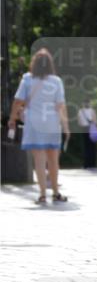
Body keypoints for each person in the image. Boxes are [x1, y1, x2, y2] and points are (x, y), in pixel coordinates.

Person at [8, 48, 70, 204]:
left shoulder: (27, 79)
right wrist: (66, 126)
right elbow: (60, 106)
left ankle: (42, 194)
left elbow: (18, 101)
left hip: (34, 124)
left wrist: (12, 119)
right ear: (50, 64)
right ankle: (55, 192)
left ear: (34, 63)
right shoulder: (56, 81)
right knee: (53, 161)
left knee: (39, 160)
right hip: (52, 124)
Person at [77, 99, 97, 168]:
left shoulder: (80, 111)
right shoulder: (92, 111)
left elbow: (79, 122)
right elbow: (95, 121)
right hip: (91, 129)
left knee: (86, 147)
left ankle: (86, 164)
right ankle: (93, 164)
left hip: (84, 129)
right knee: (92, 147)